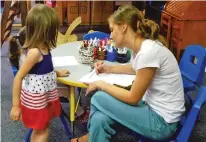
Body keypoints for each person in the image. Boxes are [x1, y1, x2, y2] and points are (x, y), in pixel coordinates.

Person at [71, 5, 185, 142]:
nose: (111, 35)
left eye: (112, 30)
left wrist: (100, 83)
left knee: (98, 97)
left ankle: (89, 138)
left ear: (124, 27)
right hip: (150, 107)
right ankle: (91, 137)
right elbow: (136, 68)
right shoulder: (142, 48)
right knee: (100, 119)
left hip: (162, 123)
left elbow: (133, 98)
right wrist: (109, 69)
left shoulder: (148, 52)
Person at [9, 4, 68, 142]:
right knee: (41, 131)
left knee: (43, 127)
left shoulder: (45, 47)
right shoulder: (35, 52)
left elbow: (40, 72)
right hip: (36, 101)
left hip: (44, 97)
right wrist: (16, 106)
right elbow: (18, 78)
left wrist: (56, 73)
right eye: (54, 29)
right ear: (46, 30)